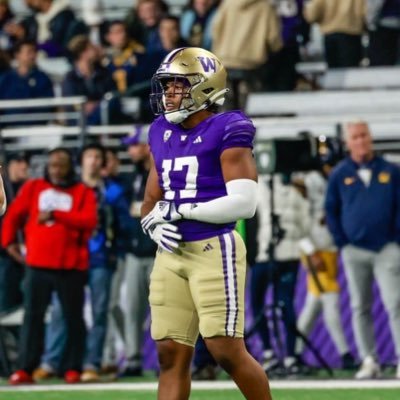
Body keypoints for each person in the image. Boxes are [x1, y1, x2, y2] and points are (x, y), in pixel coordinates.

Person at [140, 47, 271, 399]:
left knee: (225, 350)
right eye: (166, 86)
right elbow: (152, 199)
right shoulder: (159, 131)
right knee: (169, 353)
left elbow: (245, 203)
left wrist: (182, 211)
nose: (168, 94)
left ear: (205, 87)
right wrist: (151, 224)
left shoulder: (229, 126)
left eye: (177, 85)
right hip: (170, 253)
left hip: (213, 247)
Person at [33, 144, 130, 383]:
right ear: (82, 161)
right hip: (70, 260)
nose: (94, 161)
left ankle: (91, 363)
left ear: (104, 162)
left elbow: (124, 225)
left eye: (99, 156)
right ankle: (52, 361)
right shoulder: (68, 190)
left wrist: (114, 252)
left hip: (100, 260)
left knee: (99, 313)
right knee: (60, 312)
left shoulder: (113, 191)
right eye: (90, 156)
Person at [2, 148, 97, 384]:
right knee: (32, 318)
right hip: (38, 264)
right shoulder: (34, 188)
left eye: (61, 165)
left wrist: (57, 214)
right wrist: (8, 243)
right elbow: (13, 214)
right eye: (53, 165)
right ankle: (25, 368)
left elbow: (88, 221)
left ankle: (73, 367)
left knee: (73, 318)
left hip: (71, 266)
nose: (56, 169)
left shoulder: (82, 191)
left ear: (69, 167)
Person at [325, 120, 400, 379]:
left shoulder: (390, 170)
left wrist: (396, 238)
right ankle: (369, 359)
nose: (361, 140)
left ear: (371, 138)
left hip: (386, 247)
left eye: (364, 135)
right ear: (348, 142)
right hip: (354, 249)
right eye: (355, 137)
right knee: (360, 306)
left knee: (396, 303)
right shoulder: (339, 173)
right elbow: (330, 210)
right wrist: (342, 241)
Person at [250, 173, 309, 376]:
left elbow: (304, 225)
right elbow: (305, 226)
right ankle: (281, 355)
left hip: (271, 256)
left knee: (278, 305)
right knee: (280, 304)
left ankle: (278, 355)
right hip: (269, 256)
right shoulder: (294, 189)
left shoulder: (256, 187)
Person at [303, 0, 366, 68]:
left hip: (330, 34)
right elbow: (364, 12)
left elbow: (312, 15)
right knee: (352, 72)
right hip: (352, 34)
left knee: (334, 72)